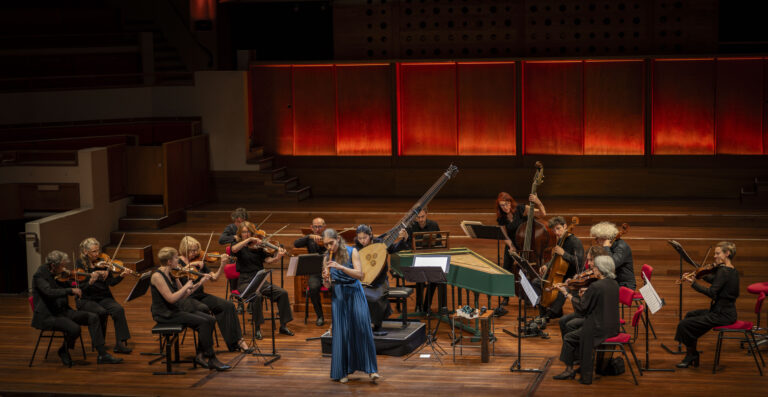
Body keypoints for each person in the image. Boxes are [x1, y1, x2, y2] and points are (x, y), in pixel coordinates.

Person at [31, 250, 122, 366]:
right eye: (62, 265)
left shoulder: (59, 274)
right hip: (48, 315)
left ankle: (102, 355)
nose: (64, 268)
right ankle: (63, 350)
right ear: (53, 265)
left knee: (93, 317)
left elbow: (70, 284)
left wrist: (88, 280)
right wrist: (70, 290)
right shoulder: (40, 275)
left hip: (63, 311)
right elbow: (49, 292)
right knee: (75, 329)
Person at [150, 247, 230, 371]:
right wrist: (186, 286)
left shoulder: (172, 272)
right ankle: (211, 358)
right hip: (165, 314)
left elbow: (185, 295)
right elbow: (171, 298)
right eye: (176, 257)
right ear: (169, 261)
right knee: (204, 322)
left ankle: (202, 356)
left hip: (175, 310)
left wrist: (200, 282)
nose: (178, 260)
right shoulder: (157, 276)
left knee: (210, 319)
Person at [321, 228, 380, 384]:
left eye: (331, 243)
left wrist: (341, 268)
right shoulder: (326, 257)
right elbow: (327, 285)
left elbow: (360, 275)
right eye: (326, 245)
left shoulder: (352, 251)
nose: (329, 247)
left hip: (354, 291)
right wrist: (326, 281)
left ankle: (372, 370)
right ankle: (342, 371)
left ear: (338, 240)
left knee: (363, 327)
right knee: (342, 332)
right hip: (339, 293)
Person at [178, 236, 253, 353]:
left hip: (200, 295)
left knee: (228, 306)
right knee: (204, 310)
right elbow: (179, 274)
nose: (195, 253)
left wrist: (222, 265)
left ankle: (237, 341)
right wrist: (189, 266)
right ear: (184, 249)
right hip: (186, 298)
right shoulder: (179, 262)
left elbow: (215, 278)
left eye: (196, 250)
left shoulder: (199, 262)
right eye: (191, 250)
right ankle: (205, 350)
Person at [553, 255, 619, 385]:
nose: (592, 269)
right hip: (612, 325)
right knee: (573, 328)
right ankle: (580, 364)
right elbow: (598, 300)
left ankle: (569, 369)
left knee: (568, 338)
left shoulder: (596, 286)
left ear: (600, 269)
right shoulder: (614, 283)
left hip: (598, 328)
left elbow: (582, 309)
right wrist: (588, 293)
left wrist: (566, 293)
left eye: (594, 267)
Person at [674, 241, 739, 368]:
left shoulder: (723, 272)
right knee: (690, 315)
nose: (714, 256)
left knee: (684, 324)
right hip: (722, 311)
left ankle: (691, 355)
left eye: (717, 253)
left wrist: (693, 283)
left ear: (727, 253)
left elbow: (712, 293)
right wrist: (700, 273)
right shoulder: (730, 270)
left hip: (722, 315)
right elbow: (714, 280)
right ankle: (692, 354)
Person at [230, 221, 293, 339]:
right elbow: (233, 249)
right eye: (244, 232)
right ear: (240, 234)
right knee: (257, 296)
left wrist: (278, 257)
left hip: (260, 279)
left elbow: (268, 260)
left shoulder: (258, 248)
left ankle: (283, 326)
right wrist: (248, 240)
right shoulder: (238, 246)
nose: (247, 234)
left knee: (282, 293)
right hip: (245, 281)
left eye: (249, 232)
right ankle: (257, 328)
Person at [75, 238, 132, 354]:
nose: (97, 254)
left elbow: (112, 283)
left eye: (98, 250)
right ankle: (99, 343)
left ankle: (119, 343)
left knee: (118, 310)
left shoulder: (104, 262)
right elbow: (82, 287)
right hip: (87, 298)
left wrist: (121, 275)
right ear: (85, 252)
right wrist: (93, 278)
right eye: (94, 252)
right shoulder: (80, 263)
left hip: (103, 297)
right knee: (101, 312)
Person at [495, 191, 546, 311]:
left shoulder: (521, 209)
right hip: (512, 245)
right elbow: (505, 236)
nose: (505, 207)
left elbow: (543, 214)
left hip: (526, 244)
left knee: (528, 269)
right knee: (506, 269)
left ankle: (531, 295)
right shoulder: (501, 217)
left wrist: (538, 202)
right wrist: (511, 246)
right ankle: (506, 297)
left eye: (507, 204)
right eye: (502, 205)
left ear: (511, 203)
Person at [354, 224, 407, 336]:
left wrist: (404, 238)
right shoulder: (357, 248)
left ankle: (377, 326)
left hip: (380, 280)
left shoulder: (380, 243)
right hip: (364, 281)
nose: (362, 241)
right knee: (359, 294)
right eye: (360, 238)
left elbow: (394, 248)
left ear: (371, 235)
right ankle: (362, 324)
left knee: (377, 297)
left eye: (365, 238)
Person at [534, 216, 585, 320]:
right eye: (554, 230)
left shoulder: (575, 242)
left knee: (561, 288)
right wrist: (546, 265)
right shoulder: (560, 240)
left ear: (565, 226)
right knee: (537, 282)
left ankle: (552, 312)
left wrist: (564, 253)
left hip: (572, 276)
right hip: (559, 273)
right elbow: (556, 259)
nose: (556, 232)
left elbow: (579, 263)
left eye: (558, 228)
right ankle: (543, 309)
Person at [557, 246, 609, 339]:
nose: (588, 264)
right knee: (562, 321)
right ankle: (569, 347)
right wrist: (577, 281)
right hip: (587, 310)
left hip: (593, 315)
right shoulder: (594, 274)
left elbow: (583, 305)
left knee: (569, 324)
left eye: (591, 260)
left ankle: (574, 346)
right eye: (588, 260)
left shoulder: (602, 277)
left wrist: (566, 293)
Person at [405, 208, 444, 313]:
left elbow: (440, 243)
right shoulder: (411, 227)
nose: (421, 219)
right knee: (420, 277)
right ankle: (418, 306)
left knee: (435, 278)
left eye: (423, 216)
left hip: (430, 258)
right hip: (416, 260)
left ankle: (427, 305)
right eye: (418, 217)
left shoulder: (433, 225)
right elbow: (407, 245)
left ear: (427, 214)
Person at [293, 217, 328, 326]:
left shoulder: (330, 237)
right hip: (316, 272)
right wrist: (309, 236)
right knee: (313, 288)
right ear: (311, 227)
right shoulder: (309, 238)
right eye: (315, 227)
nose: (317, 229)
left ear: (324, 227)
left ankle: (338, 315)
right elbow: (296, 243)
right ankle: (320, 316)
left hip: (330, 271)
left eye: (320, 226)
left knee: (338, 286)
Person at [590, 221, 636, 290]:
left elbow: (612, 264)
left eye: (597, 238)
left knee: (596, 291)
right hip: (615, 282)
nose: (596, 241)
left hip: (624, 285)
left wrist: (606, 247)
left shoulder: (621, 247)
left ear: (605, 237)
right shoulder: (611, 246)